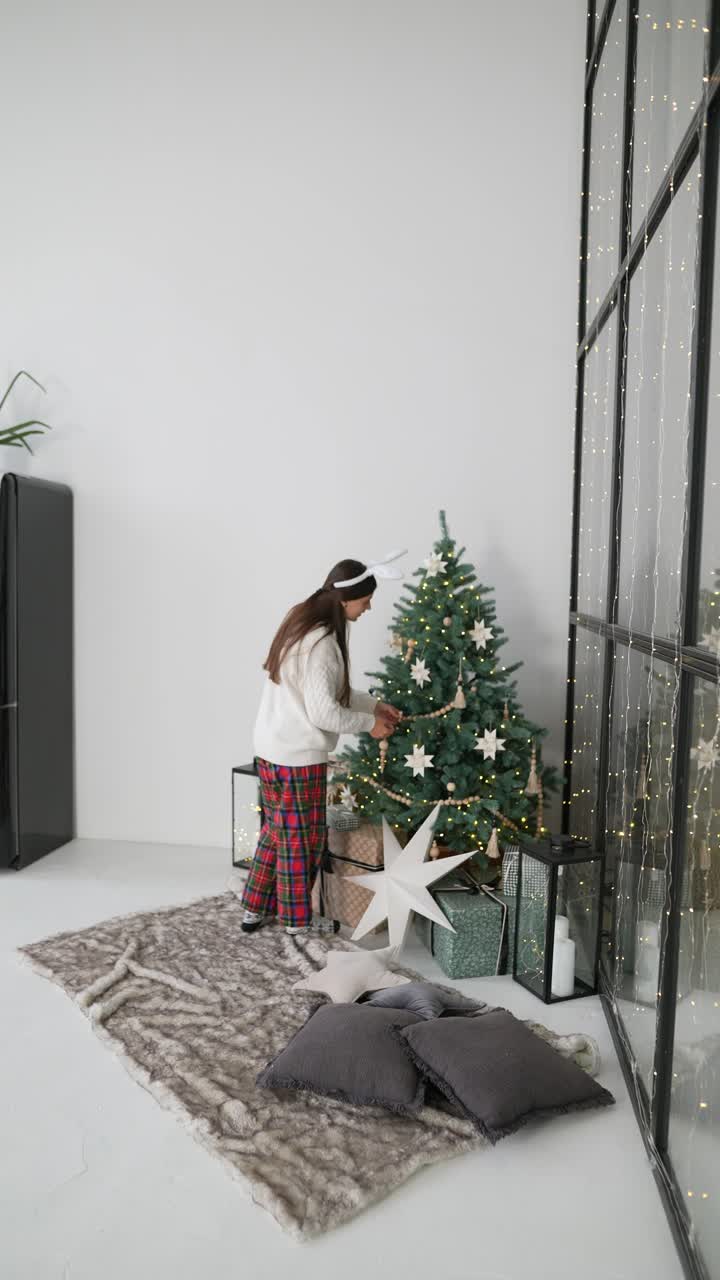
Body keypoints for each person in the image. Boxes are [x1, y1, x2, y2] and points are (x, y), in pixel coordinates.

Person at [241, 554, 404, 936]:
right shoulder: (324, 643)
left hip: (270, 747)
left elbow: (325, 693)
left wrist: (374, 704)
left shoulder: (300, 624)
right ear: (347, 599)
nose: (369, 608)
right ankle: (296, 923)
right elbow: (325, 713)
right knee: (303, 840)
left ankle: (253, 907)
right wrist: (371, 725)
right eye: (366, 601)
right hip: (297, 757)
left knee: (277, 830)